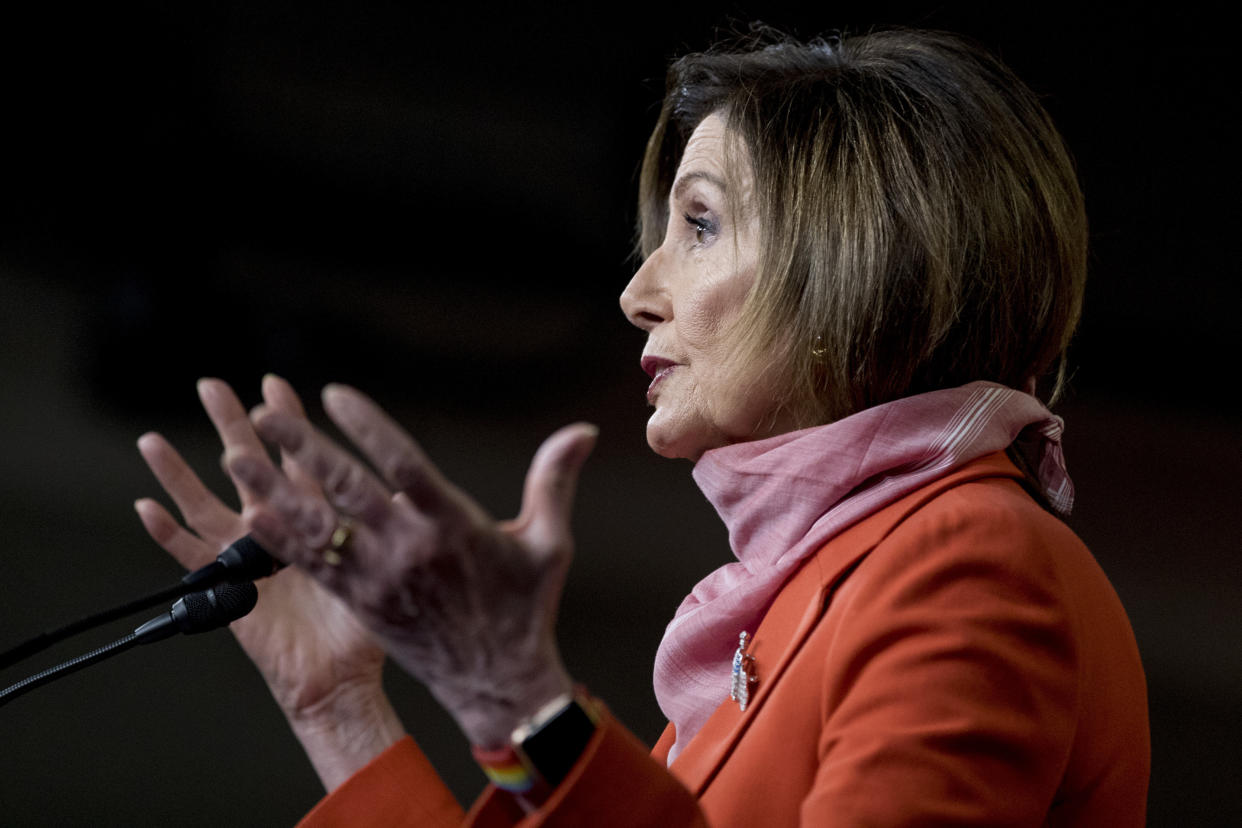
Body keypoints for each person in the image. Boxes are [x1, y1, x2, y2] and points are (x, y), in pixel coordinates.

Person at [135, 28, 1149, 826]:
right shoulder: (797, 599)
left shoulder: (971, 558)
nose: (636, 292)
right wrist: (337, 709)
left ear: (864, 257)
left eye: (699, 224)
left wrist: (516, 698)